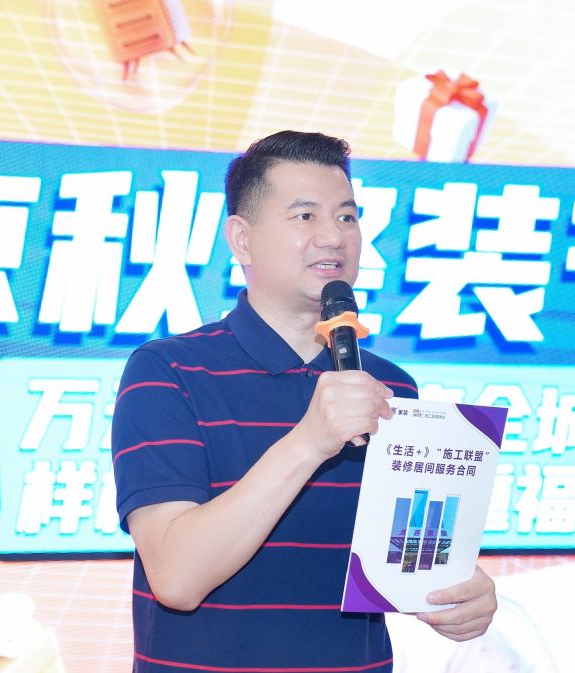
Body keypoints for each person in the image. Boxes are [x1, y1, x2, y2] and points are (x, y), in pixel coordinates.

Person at [111, 130, 497, 672]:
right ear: (242, 239)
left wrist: (461, 594)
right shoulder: (168, 372)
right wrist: (310, 441)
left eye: (347, 217)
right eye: (305, 216)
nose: (334, 237)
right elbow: (176, 577)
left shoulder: (391, 388)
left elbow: (408, 562)